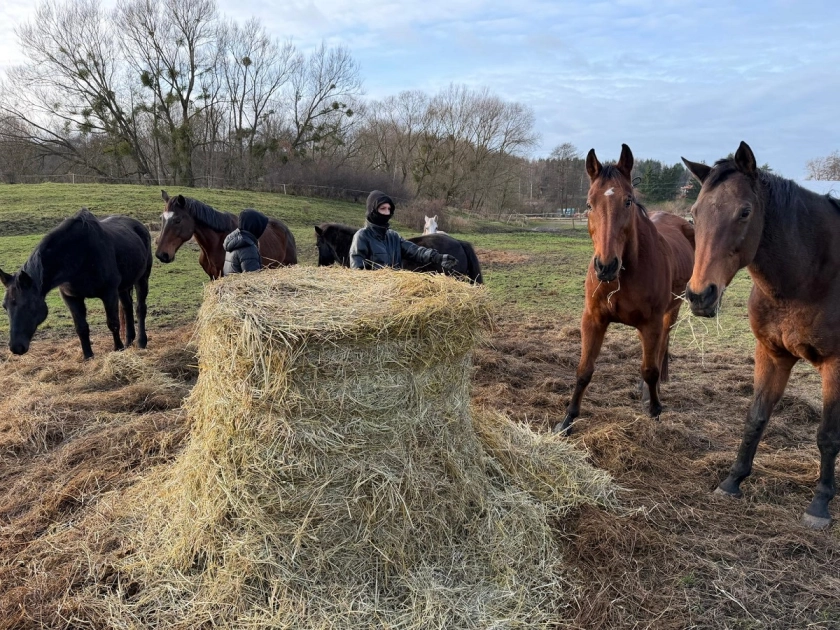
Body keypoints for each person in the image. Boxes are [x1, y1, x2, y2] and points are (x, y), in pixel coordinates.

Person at [349, 190, 457, 272]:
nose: (387, 213)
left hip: (394, 292)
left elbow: (415, 251)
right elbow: (357, 273)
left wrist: (437, 257)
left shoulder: (393, 236)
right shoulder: (362, 236)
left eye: (389, 209)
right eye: (383, 208)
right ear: (372, 210)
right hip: (374, 295)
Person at [223, 209, 268, 276]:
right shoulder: (248, 248)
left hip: (232, 285)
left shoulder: (234, 241)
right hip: (240, 286)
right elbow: (252, 278)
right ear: (255, 226)